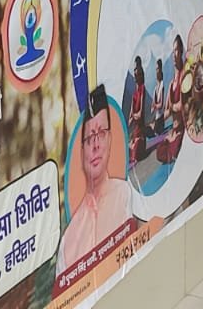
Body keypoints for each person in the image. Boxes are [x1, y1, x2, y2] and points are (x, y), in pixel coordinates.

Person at [60, 85, 133, 268]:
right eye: (89, 138)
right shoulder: (68, 240)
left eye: (101, 134)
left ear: (110, 139)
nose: (95, 145)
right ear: (81, 151)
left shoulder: (126, 196)